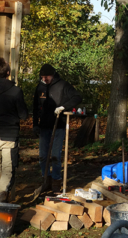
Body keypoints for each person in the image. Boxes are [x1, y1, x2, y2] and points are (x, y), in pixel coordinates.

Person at [0, 57, 28, 202]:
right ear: (8, 72)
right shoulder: (15, 91)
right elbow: (23, 115)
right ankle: (1, 199)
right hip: (9, 136)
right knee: (7, 169)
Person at [33, 64, 82, 193]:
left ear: (52, 75)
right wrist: (35, 124)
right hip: (44, 126)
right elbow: (35, 107)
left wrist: (63, 107)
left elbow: (77, 97)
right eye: (42, 77)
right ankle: (46, 179)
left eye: (47, 77)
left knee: (55, 155)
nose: (44, 79)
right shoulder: (40, 88)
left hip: (58, 125)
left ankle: (56, 181)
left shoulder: (63, 86)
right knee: (43, 156)